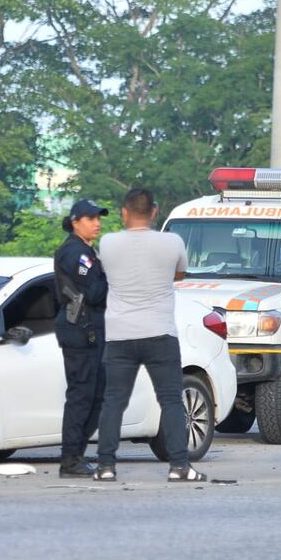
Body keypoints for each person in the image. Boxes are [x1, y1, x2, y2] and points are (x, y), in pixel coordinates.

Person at [93, 188, 205, 483]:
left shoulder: (108, 243)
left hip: (119, 333)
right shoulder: (172, 242)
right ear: (154, 211)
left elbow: (106, 274)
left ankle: (105, 465)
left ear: (124, 212)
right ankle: (180, 466)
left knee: (114, 400)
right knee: (170, 399)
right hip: (160, 332)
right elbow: (179, 274)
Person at [52, 198, 110, 477]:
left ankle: (77, 454)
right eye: (90, 218)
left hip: (92, 329)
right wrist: (111, 277)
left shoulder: (89, 251)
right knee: (81, 395)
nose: (97, 223)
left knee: (97, 395)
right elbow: (96, 292)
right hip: (80, 328)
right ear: (76, 222)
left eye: (98, 218)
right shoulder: (75, 252)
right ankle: (70, 458)